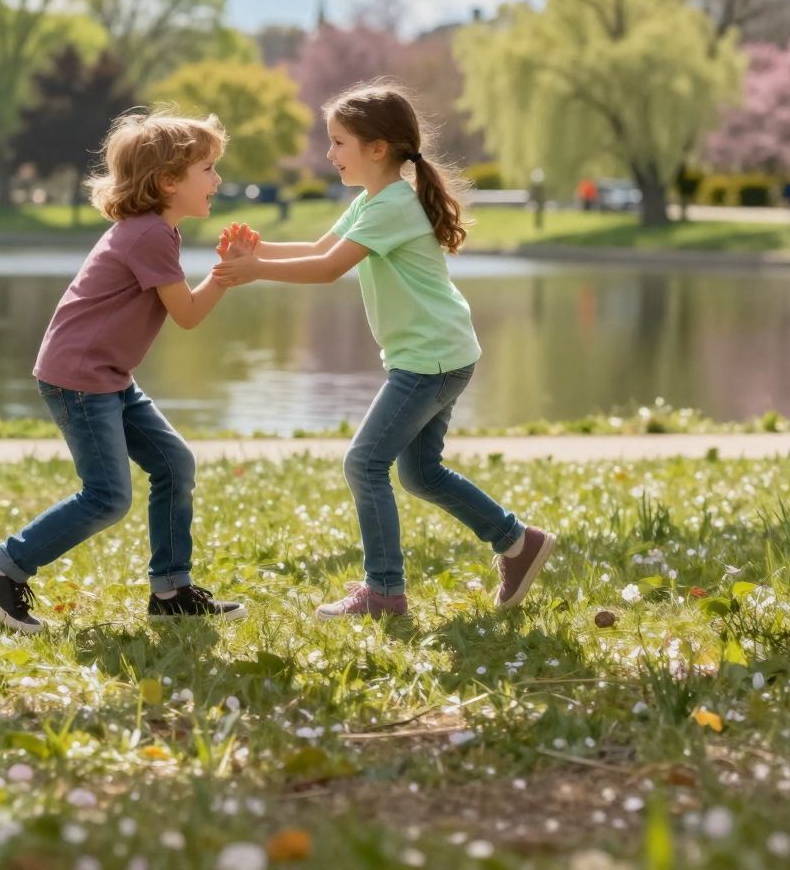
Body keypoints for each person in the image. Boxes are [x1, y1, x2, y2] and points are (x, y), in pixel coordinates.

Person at [213, 81, 553, 619]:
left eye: (339, 142)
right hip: (439, 354)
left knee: (364, 464)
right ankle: (517, 542)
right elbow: (320, 248)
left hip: (429, 360)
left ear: (378, 148)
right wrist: (257, 249)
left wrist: (255, 271)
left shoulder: (394, 206)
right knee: (420, 474)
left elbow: (328, 270)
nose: (329, 153)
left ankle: (384, 593)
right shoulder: (374, 201)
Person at [0, 110, 247, 633]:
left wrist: (224, 271)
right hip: (80, 378)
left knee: (173, 463)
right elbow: (186, 314)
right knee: (107, 496)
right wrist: (228, 275)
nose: (218, 180)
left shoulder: (156, 231)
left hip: (107, 375)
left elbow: (180, 310)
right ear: (167, 181)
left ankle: (171, 591)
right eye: (207, 169)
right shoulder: (149, 236)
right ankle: (1, 569)